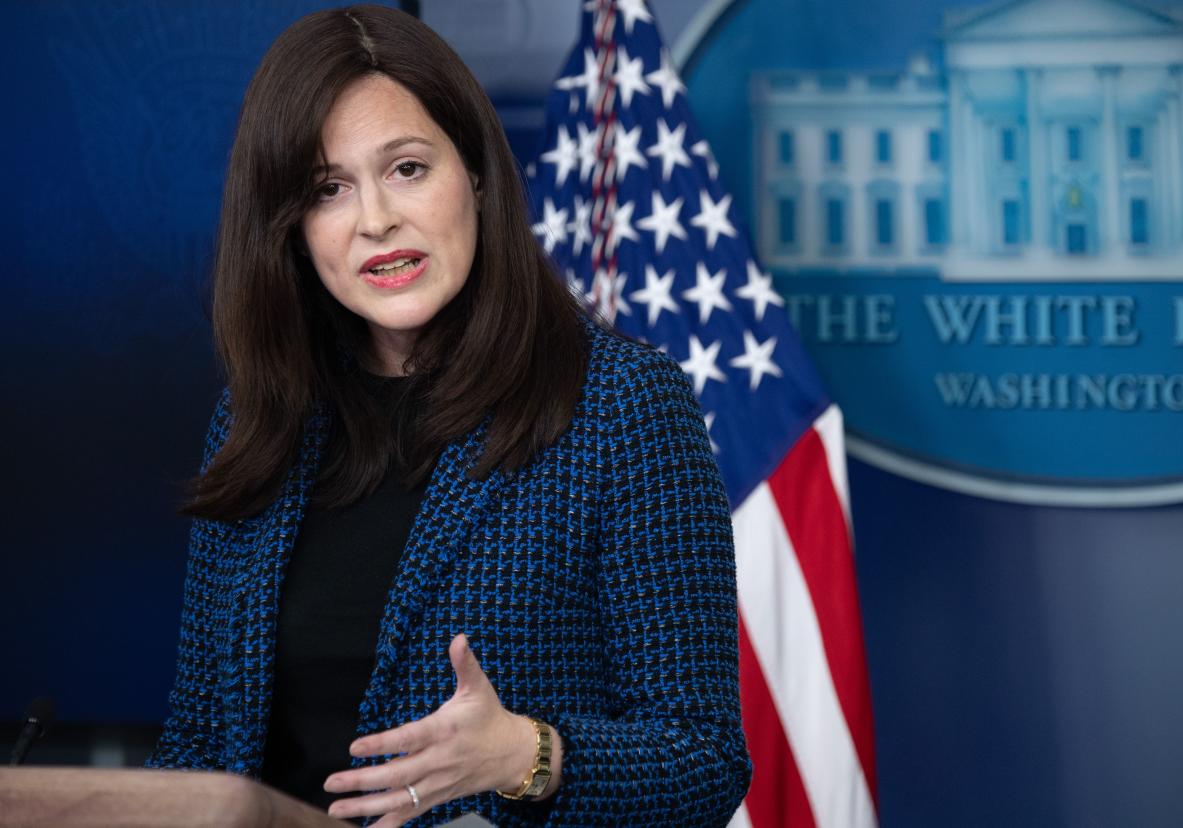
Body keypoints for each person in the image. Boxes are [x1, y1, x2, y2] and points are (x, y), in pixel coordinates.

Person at [145, 4, 751, 826]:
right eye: (328, 189)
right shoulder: (260, 418)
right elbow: (199, 741)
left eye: (406, 169)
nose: (375, 220)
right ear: (291, 231)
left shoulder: (622, 407)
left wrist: (528, 757)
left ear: (474, 172)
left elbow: (705, 760)